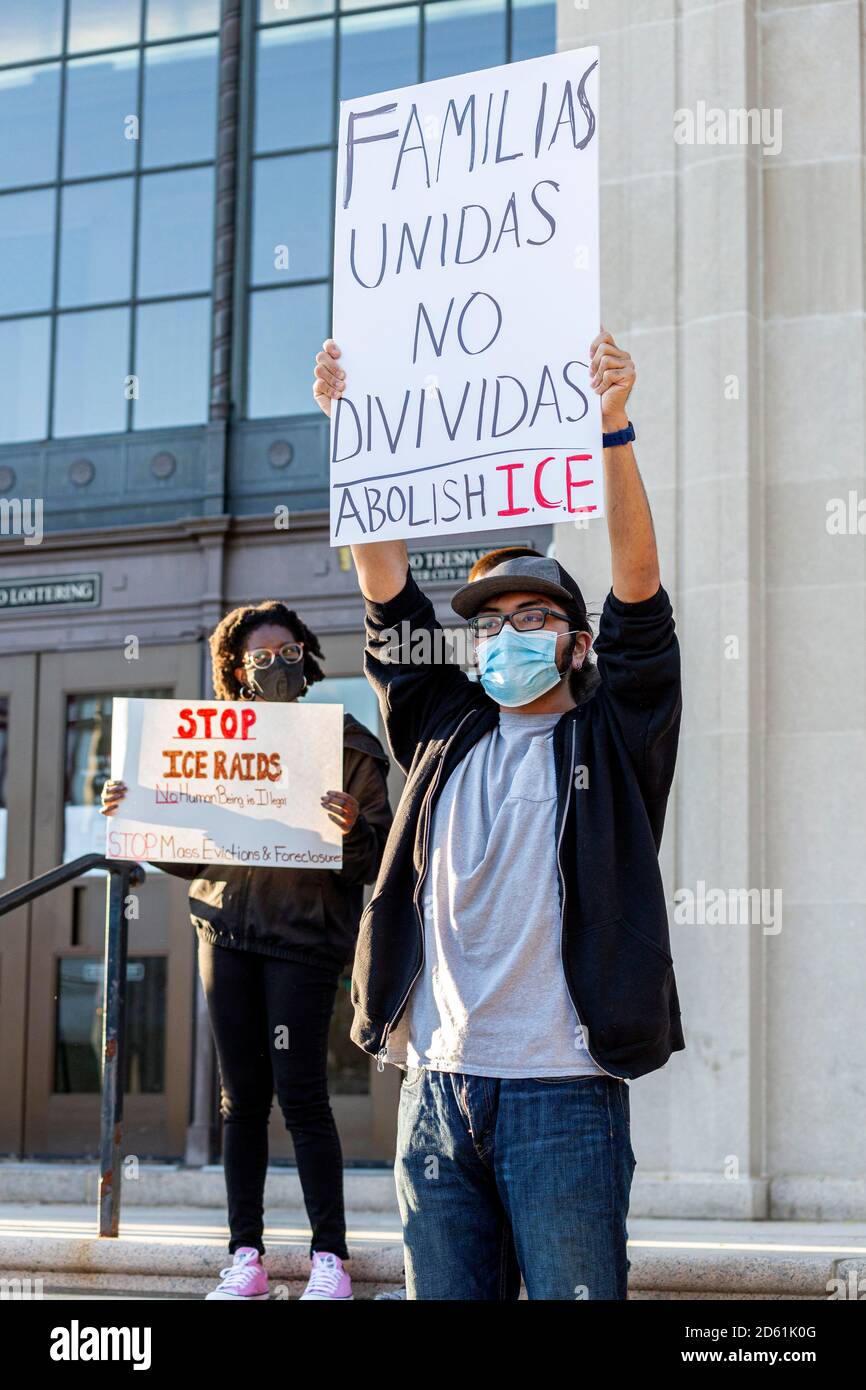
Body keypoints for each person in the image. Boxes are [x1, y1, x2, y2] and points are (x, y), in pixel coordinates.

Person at [312, 328, 684, 1300]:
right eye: (485, 621)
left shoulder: (614, 729)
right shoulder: (440, 723)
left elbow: (638, 591)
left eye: (530, 617)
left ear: (572, 639)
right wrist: (354, 434)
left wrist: (612, 428)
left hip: (562, 1092)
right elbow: (384, 584)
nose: (503, 634)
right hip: (432, 1093)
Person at [101, 601, 392, 1301]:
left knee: (303, 1099)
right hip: (226, 933)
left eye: (290, 653)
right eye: (262, 659)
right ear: (237, 669)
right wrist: (134, 814)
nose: (279, 667)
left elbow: (377, 857)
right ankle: (247, 1258)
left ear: (308, 657)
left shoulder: (347, 744)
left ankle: (329, 1260)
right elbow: (189, 850)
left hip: (304, 939)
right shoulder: (210, 750)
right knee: (240, 1103)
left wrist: (351, 827)